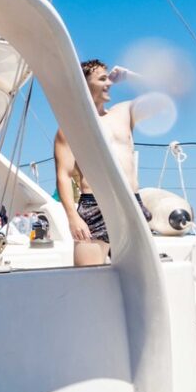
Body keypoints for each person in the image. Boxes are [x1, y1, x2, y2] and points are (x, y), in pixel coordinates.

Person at [53, 58, 144, 267]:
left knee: (137, 284)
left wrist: (129, 76)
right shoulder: (72, 126)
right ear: (84, 84)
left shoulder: (124, 113)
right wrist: (72, 217)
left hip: (131, 204)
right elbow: (64, 175)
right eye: (102, 79)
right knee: (88, 282)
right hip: (96, 206)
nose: (109, 83)